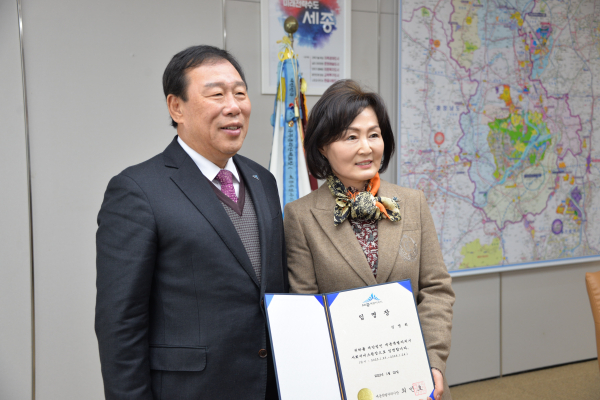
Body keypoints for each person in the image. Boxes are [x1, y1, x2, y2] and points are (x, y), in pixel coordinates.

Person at [95, 45, 288, 400]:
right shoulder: (138, 190)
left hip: (267, 387)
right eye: (216, 94)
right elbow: (120, 323)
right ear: (176, 107)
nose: (234, 106)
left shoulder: (263, 180)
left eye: (240, 93)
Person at [283, 80, 455, 400]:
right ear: (322, 146)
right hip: (343, 383)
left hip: (412, 376)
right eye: (351, 137)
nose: (366, 148)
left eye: (373, 134)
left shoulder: (412, 202)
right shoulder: (301, 216)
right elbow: (307, 311)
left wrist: (433, 362)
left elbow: (436, 289)